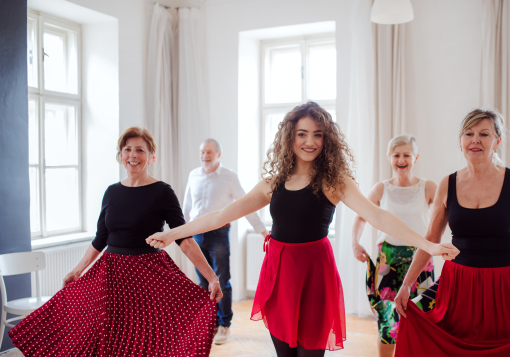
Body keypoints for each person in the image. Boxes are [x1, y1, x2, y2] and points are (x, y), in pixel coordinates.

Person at [146, 102, 459, 357]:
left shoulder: (334, 181)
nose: (310, 141)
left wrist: (428, 245)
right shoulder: (273, 182)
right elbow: (221, 214)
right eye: (302, 134)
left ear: (327, 140)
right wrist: (172, 233)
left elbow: (377, 216)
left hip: (314, 273)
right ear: (290, 138)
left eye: (318, 134)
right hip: (279, 273)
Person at [9, 127, 223, 357]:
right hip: (110, 277)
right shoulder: (111, 192)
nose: (133, 155)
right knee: (103, 339)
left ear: (151, 156)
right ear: (121, 155)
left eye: (140, 150)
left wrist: (211, 278)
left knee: (144, 339)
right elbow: (100, 239)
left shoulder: (163, 192)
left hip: (147, 277)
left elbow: (185, 239)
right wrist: (77, 271)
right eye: (127, 149)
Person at [393, 109, 510, 357]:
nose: (475, 140)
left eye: (484, 134)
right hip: (457, 287)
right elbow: (430, 240)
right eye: (469, 133)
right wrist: (406, 285)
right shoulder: (447, 184)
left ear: (497, 141)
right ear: (460, 141)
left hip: (506, 288)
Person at [352, 134, 437, 357]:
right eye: (396, 155)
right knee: (387, 321)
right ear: (390, 158)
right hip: (388, 261)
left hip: (421, 259)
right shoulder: (381, 189)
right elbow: (361, 216)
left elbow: (446, 216)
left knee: (423, 317)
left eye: (406, 155)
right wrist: (355, 243)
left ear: (415, 157)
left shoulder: (428, 188)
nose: (402, 159)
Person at [182, 138, 268, 344]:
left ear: (218, 154)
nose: (205, 156)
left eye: (209, 152)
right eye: (202, 152)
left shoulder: (229, 177)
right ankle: (209, 323)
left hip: (219, 235)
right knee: (203, 282)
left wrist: (263, 231)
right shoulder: (193, 175)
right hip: (196, 236)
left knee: (221, 280)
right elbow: (186, 207)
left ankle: (224, 325)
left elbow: (247, 204)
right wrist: (182, 233)